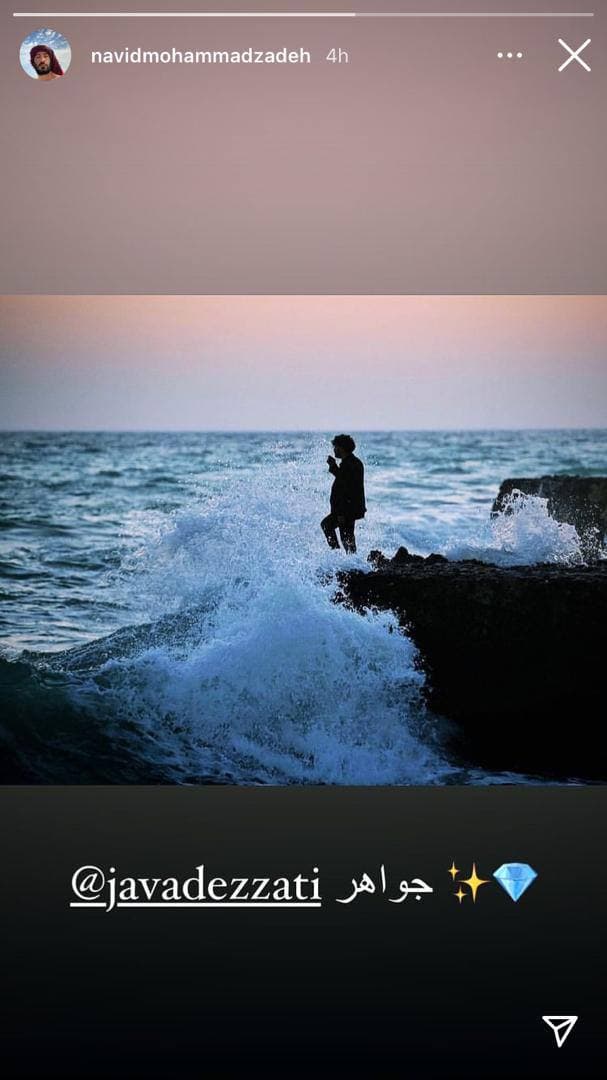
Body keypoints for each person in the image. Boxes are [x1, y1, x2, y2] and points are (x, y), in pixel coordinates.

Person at [321, 434, 366, 554]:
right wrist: (333, 466)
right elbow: (344, 479)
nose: (334, 449)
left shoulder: (350, 464)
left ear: (341, 448)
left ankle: (337, 555)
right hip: (349, 508)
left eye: (335, 447)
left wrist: (341, 512)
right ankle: (351, 562)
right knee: (347, 537)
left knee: (329, 527)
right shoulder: (351, 462)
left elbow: (347, 490)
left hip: (346, 510)